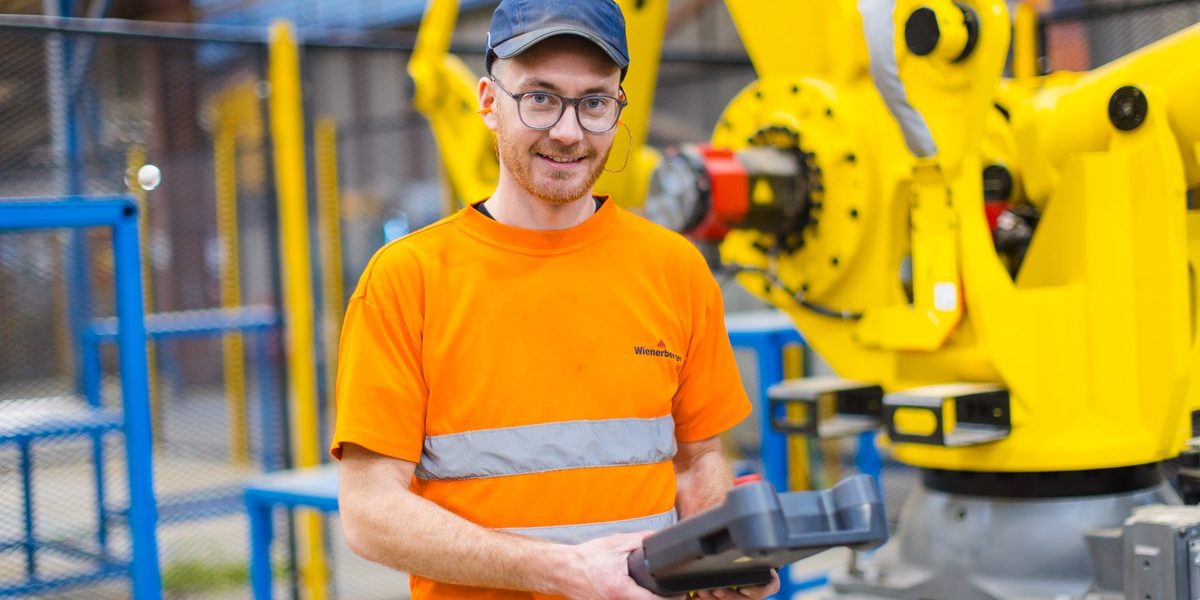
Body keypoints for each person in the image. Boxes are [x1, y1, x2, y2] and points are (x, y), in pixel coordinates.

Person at [332, 1, 778, 598]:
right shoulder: (406, 280)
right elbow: (369, 513)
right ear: (490, 103)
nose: (568, 132)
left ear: (618, 111)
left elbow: (699, 461)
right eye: (540, 98)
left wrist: (719, 555)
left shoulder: (673, 268)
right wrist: (564, 572)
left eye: (594, 102)